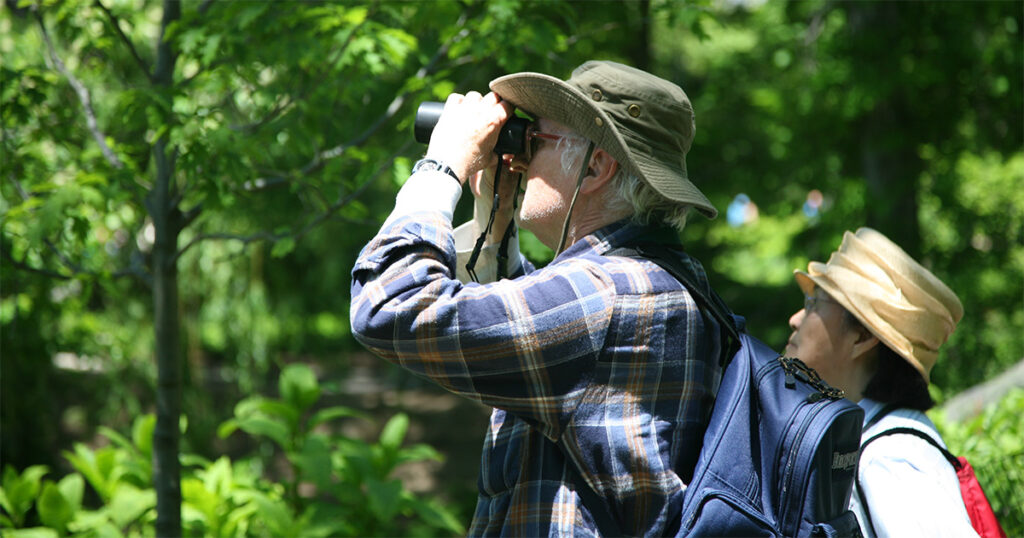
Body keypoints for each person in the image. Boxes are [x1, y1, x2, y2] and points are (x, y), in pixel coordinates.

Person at [350, 61, 726, 536]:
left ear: (596, 166)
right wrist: (496, 219)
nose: (520, 159)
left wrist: (441, 166)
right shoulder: (660, 279)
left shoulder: (607, 296)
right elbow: (533, 352)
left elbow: (388, 305)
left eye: (537, 139)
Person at [785, 227, 977, 537]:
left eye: (814, 303)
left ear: (861, 336)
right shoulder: (870, 442)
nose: (796, 318)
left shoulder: (891, 457)